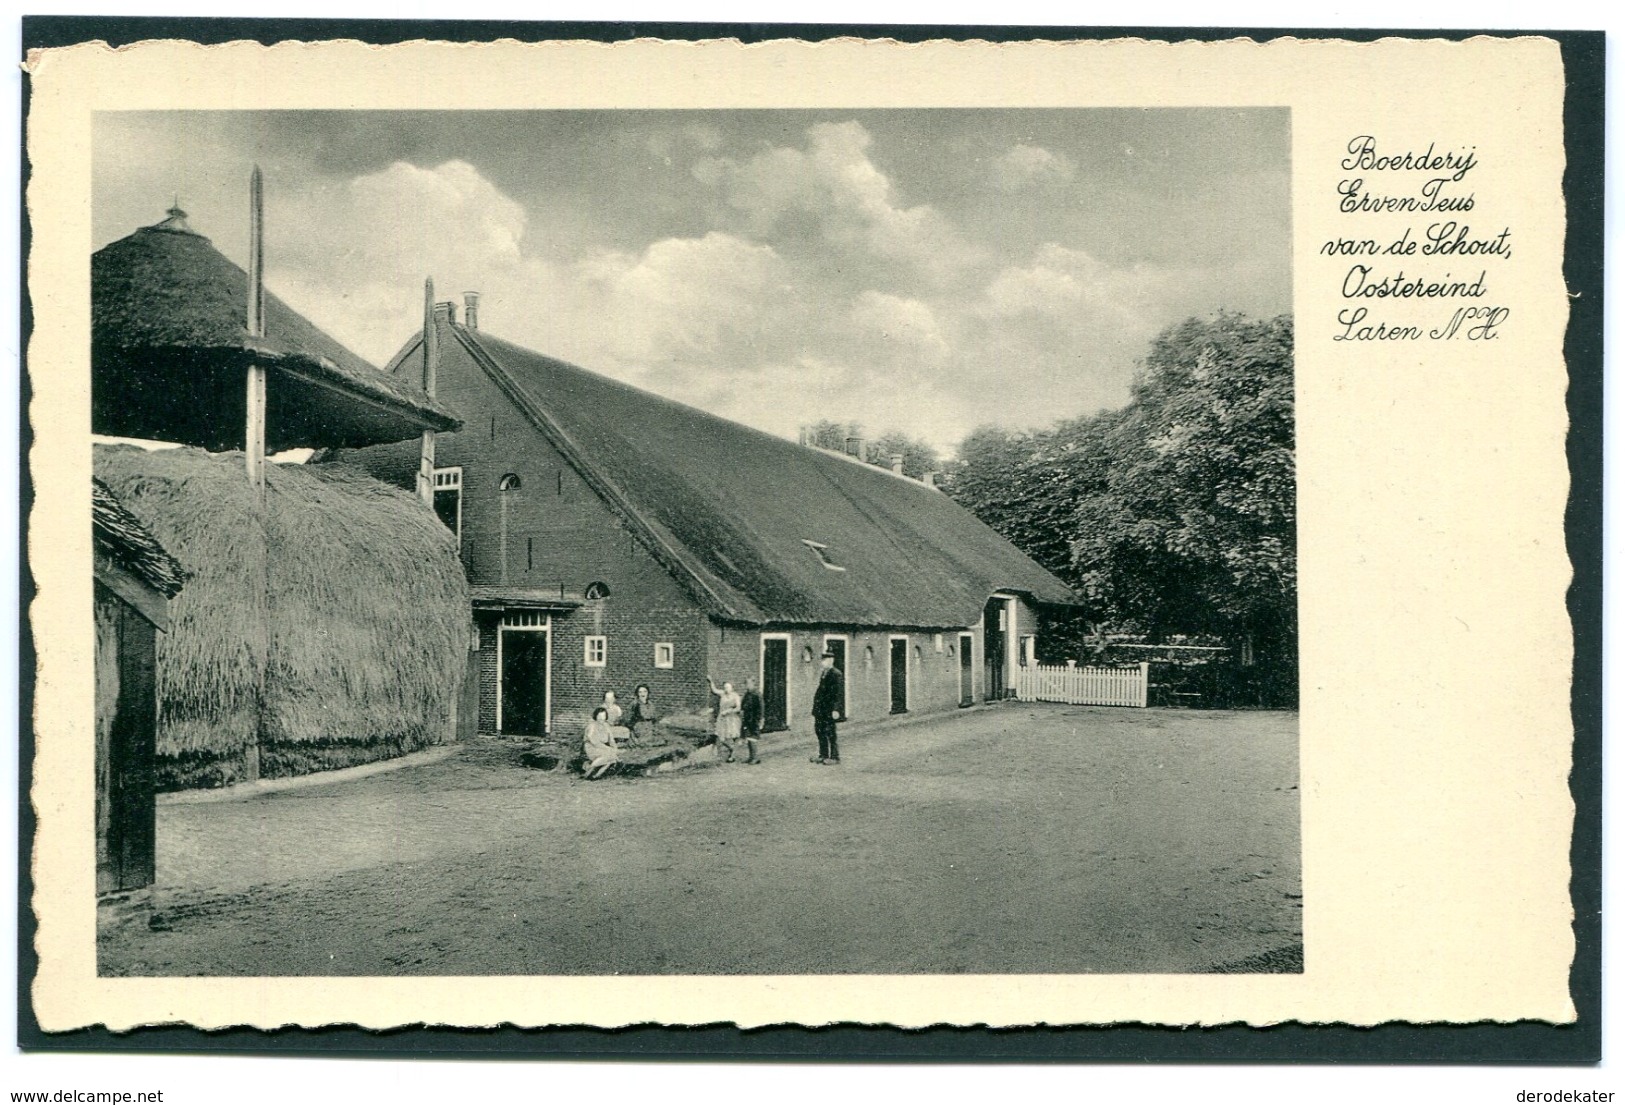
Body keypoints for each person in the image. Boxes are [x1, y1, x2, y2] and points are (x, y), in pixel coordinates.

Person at [811, 650, 844, 764]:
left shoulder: (836, 674)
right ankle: (823, 754)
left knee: (830, 732)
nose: (822, 663)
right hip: (820, 709)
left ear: (830, 661)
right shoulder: (824, 673)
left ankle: (835, 757)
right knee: (819, 731)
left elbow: (838, 693)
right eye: (822, 660)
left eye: (824, 660)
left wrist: (836, 709)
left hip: (829, 709)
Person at [581, 706, 620, 779]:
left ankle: (596, 776)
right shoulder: (592, 726)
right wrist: (609, 749)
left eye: (603, 716)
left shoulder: (606, 725)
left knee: (611, 759)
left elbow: (611, 740)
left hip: (602, 748)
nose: (602, 718)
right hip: (591, 748)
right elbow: (595, 742)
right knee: (608, 755)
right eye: (599, 716)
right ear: (596, 716)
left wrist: (614, 748)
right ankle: (589, 769)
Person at [708, 677, 741, 763]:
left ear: (731, 688)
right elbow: (714, 690)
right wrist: (711, 681)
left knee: (733, 736)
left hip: (732, 718)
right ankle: (731, 748)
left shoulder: (735, 696)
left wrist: (729, 711)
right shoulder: (722, 694)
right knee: (720, 737)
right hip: (722, 718)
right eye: (725, 687)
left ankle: (732, 756)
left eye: (728, 687)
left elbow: (738, 707)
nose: (726, 689)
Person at [740, 676, 764, 765]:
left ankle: (755, 758)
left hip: (754, 719)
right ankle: (751, 757)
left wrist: (761, 719)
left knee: (753, 738)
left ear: (753, 684)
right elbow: (743, 704)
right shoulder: (747, 694)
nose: (747, 685)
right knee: (748, 737)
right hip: (747, 718)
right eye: (746, 684)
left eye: (749, 683)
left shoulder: (757, 694)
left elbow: (761, 707)